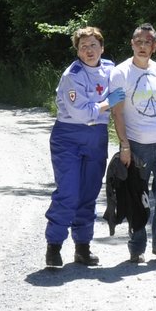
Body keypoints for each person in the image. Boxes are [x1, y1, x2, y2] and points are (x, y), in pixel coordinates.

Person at [108, 23, 156, 263]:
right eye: (138, 41)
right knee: (137, 196)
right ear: (132, 44)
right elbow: (117, 113)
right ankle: (137, 246)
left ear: (155, 46)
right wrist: (125, 146)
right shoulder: (120, 73)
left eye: (147, 42)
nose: (142, 46)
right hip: (137, 145)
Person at [43, 26, 114, 268]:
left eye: (93, 45)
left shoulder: (110, 69)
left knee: (89, 193)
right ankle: (54, 246)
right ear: (77, 51)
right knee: (69, 193)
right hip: (69, 136)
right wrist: (108, 103)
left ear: (102, 48)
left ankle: (82, 247)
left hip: (97, 137)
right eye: (83, 47)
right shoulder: (72, 75)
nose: (89, 50)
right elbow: (83, 113)